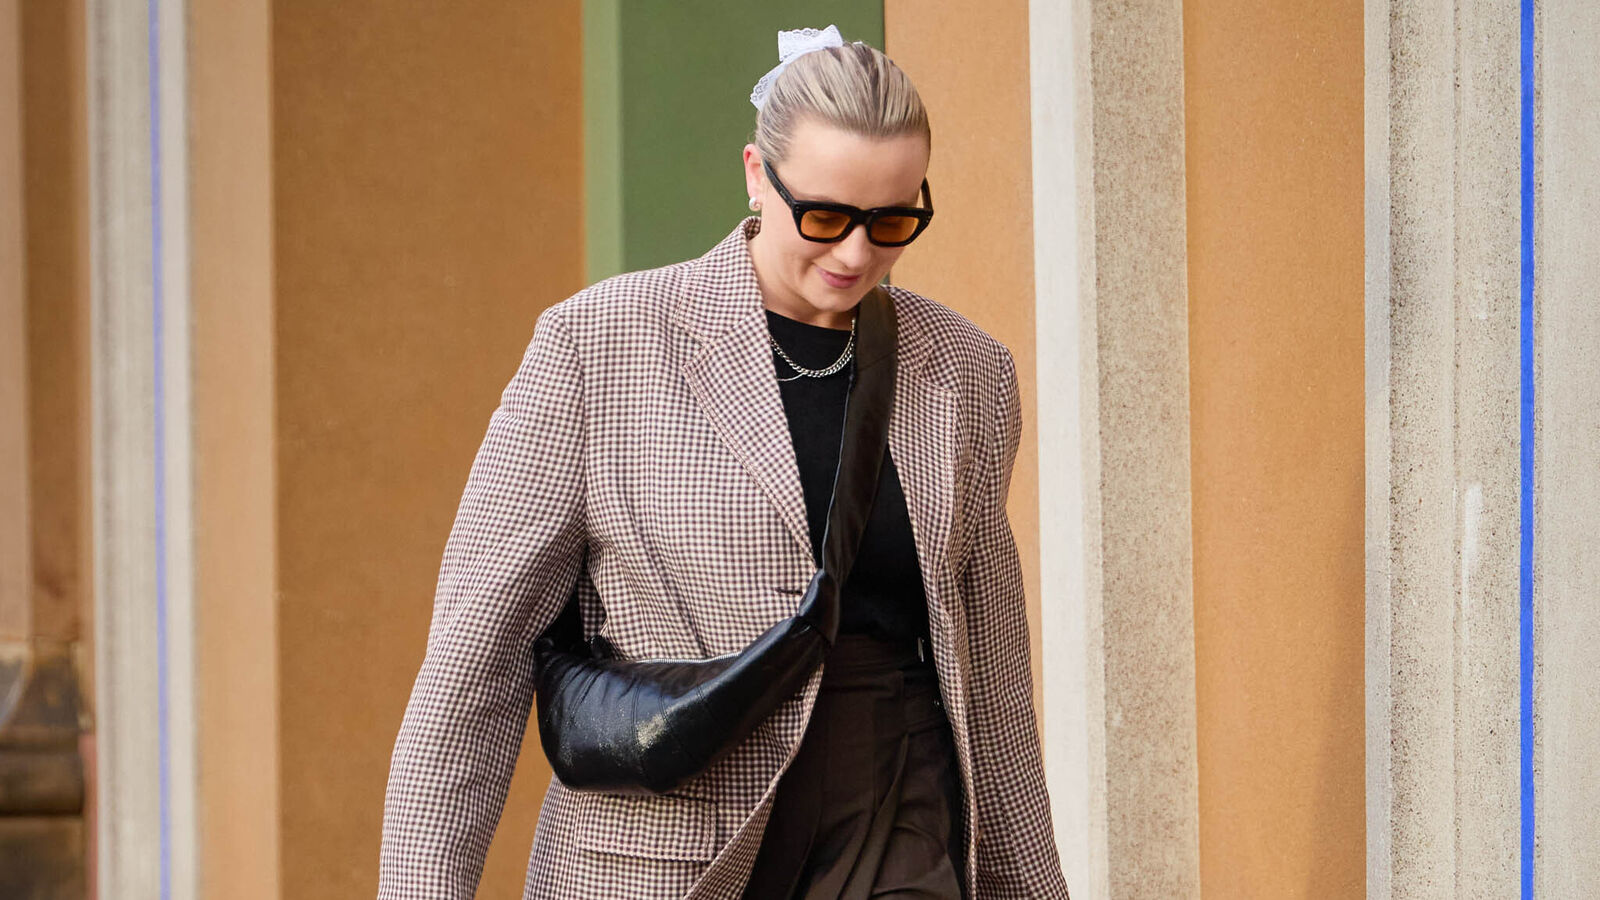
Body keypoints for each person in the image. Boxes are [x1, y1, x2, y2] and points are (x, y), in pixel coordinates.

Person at [378, 26, 1068, 900]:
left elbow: (994, 675)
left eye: (893, 221)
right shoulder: (600, 346)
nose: (856, 254)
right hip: (668, 849)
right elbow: (475, 661)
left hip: (896, 814)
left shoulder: (966, 371)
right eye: (824, 216)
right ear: (755, 174)